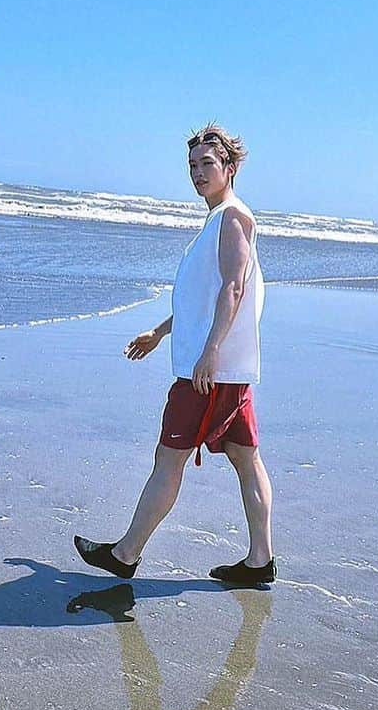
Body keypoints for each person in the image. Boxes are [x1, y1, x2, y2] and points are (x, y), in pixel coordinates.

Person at [74, 124, 275, 586]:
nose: (198, 173)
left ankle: (125, 555)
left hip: (208, 372)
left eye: (208, 164)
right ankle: (260, 559)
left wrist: (209, 353)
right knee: (247, 459)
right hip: (226, 368)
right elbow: (203, 300)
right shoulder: (219, 219)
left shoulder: (232, 218)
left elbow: (233, 288)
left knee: (169, 458)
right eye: (192, 166)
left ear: (230, 167)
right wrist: (162, 332)